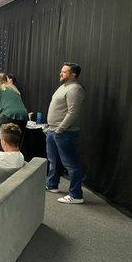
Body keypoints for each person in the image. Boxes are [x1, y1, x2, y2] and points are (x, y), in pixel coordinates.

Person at [45, 63, 85, 204]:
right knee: (53, 160)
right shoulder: (63, 87)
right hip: (52, 130)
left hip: (65, 132)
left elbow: (73, 112)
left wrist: (60, 129)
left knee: (71, 164)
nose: (60, 73)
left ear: (73, 74)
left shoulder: (75, 89)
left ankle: (76, 195)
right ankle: (52, 185)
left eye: (64, 72)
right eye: (61, 71)